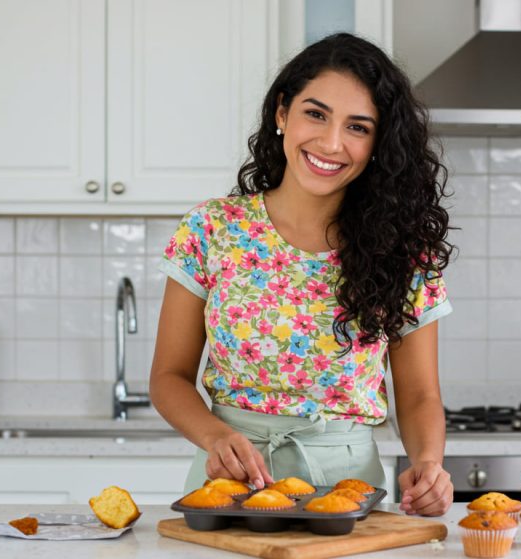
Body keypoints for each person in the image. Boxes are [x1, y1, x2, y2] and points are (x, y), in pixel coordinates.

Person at [150, 33, 454, 516]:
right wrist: (216, 436)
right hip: (230, 485)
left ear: (378, 143)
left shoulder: (403, 252)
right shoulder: (213, 228)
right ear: (282, 114)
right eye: (316, 114)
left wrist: (429, 462)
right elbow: (168, 377)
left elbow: (419, 395)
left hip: (348, 494)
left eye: (358, 127)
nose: (331, 143)